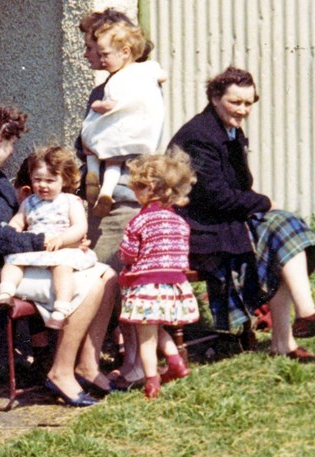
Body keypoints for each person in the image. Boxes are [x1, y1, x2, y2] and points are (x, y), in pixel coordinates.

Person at [0, 105, 117, 406]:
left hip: (18, 261)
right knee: (94, 283)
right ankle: (61, 372)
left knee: (109, 276)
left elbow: (20, 223)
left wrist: (68, 239)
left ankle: (87, 364)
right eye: (10, 143)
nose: (11, 150)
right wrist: (47, 239)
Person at [170, 66, 315, 362]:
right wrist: (262, 202)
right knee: (280, 228)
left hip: (220, 217)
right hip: (197, 227)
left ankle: (291, 332)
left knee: (285, 229)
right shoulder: (200, 135)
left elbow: (239, 187)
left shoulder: (230, 130)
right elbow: (215, 196)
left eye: (248, 103)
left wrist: (258, 203)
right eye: (235, 102)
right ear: (214, 97)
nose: (243, 110)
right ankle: (300, 321)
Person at [117, 152, 199, 399]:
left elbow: (128, 254)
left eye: (136, 188)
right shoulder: (179, 223)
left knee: (146, 337)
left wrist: (127, 259)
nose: (134, 194)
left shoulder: (139, 222)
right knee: (156, 327)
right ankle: (176, 363)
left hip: (146, 287)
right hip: (173, 286)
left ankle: (151, 382)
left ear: (149, 188)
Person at [0, 146, 97, 329]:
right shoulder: (29, 202)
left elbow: (80, 227)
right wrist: (13, 229)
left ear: (64, 179)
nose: (43, 185)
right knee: (12, 261)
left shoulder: (70, 201)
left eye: (50, 180)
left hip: (60, 247)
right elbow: (19, 220)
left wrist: (62, 239)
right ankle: (5, 293)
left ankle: (61, 308)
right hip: (36, 247)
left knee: (62, 268)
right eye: (38, 180)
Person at [80, 22, 167, 219]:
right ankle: (97, 185)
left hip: (125, 199)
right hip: (123, 193)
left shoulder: (127, 83)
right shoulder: (136, 77)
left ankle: (97, 182)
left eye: (90, 48)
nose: (86, 55)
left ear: (124, 52)